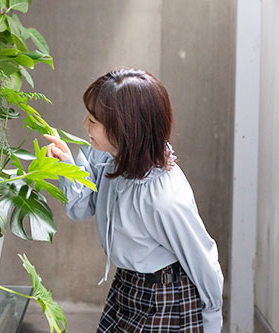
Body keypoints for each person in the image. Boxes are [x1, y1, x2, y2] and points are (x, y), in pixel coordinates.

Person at [44, 68, 224, 332]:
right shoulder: (105, 155)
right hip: (127, 284)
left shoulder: (162, 197)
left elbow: (202, 260)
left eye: (93, 120)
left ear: (123, 128)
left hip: (166, 296)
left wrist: (212, 320)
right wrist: (66, 165)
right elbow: (80, 209)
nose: (85, 124)